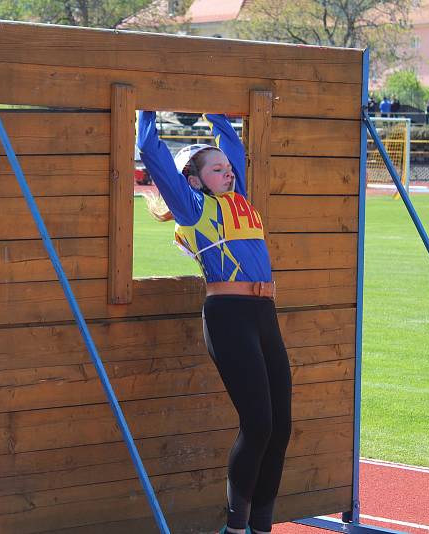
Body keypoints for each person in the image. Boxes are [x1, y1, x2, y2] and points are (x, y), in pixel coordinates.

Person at [137, 111, 291, 534]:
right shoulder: (194, 209)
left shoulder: (239, 199)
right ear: (195, 179)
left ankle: (261, 528)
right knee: (258, 422)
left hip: (264, 313)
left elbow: (234, 146)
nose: (228, 172)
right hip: (229, 316)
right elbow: (152, 153)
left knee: (281, 427)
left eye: (228, 168)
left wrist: (216, 111)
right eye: (217, 169)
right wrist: (147, 111)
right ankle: (235, 529)